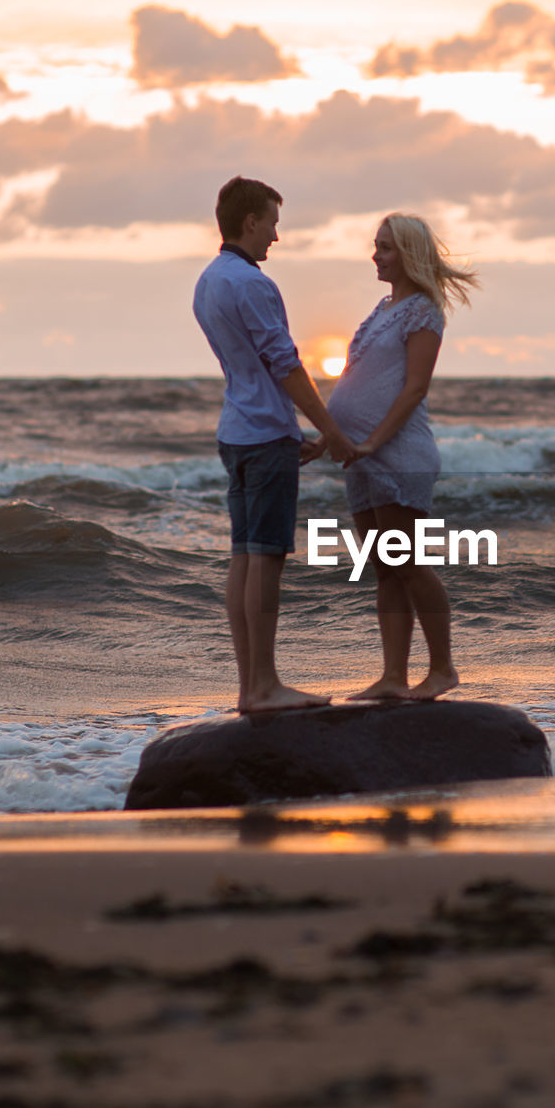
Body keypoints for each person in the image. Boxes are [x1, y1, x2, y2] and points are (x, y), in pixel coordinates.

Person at [193, 176, 356, 713]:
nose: (276, 237)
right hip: (264, 436)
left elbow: (253, 368)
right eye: (273, 225)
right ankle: (263, 686)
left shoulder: (208, 281)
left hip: (237, 430)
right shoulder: (252, 283)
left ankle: (251, 685)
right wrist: (329, 429)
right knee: (265, 559)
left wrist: (297, 430)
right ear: (250, 222)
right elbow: (284, 363)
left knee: (244, 557)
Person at [312, 213, 479, 700]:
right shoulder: (381, 309)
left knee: (406, 561)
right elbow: (355, 383)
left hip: (399, 452)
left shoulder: (423, 311)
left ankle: (443, 669)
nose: (375, 255)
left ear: (407, 255)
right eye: (375, 245)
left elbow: (413, 389)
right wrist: (327, 438)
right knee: (384, 567)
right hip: (362, 456)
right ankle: (392, 677)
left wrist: (371, 442)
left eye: (385, 248)